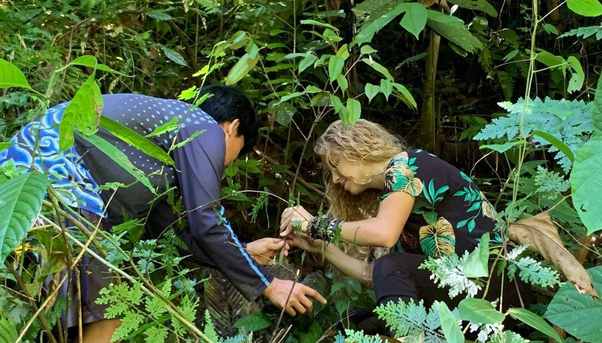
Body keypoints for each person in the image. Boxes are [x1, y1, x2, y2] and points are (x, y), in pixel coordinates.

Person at [0, 84, 325, 342]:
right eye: (236, 154)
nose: (225, 166)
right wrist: (268, 284)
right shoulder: (203, 127)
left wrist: (247, 256)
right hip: (54, 178)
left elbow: (176, 235)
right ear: (231, 128)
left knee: (66, 315)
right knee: (108, 307)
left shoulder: (157, 153)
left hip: (19, 180)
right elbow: (206, 221)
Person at [279, 119, 530, 335]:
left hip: (496, 285)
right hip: (467, 291)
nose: (334, 178)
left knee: (390, 271)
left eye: (335, 165)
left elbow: (384, 235)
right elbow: (375, 276)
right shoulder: (392, 200)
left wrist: (315, 225)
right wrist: (322, 247)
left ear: (357, 149)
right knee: (363, 320)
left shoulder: (406, 164)